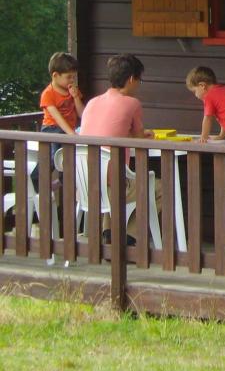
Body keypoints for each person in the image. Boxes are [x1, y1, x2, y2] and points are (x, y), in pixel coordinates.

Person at [80, 54, 159, 244]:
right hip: (111, 185)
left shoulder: (92, 102)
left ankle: (109, 233)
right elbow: (140, 139)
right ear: (132, 79)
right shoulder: (131, 103)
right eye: (139, 80)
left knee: (114, 179)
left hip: (84, 183)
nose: (139, 84)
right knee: (160, 188)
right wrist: (143, 135)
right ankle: (130, 236)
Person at [40, 52, 84, 137]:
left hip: (69, 129)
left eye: (74, 77)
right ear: (55, 75)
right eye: (68, 77)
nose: (72, 80)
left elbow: (82, 114)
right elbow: (58, 118)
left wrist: (76, 97)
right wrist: (71, 133)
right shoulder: (48, 94)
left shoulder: (73, 90)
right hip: (52, 129)